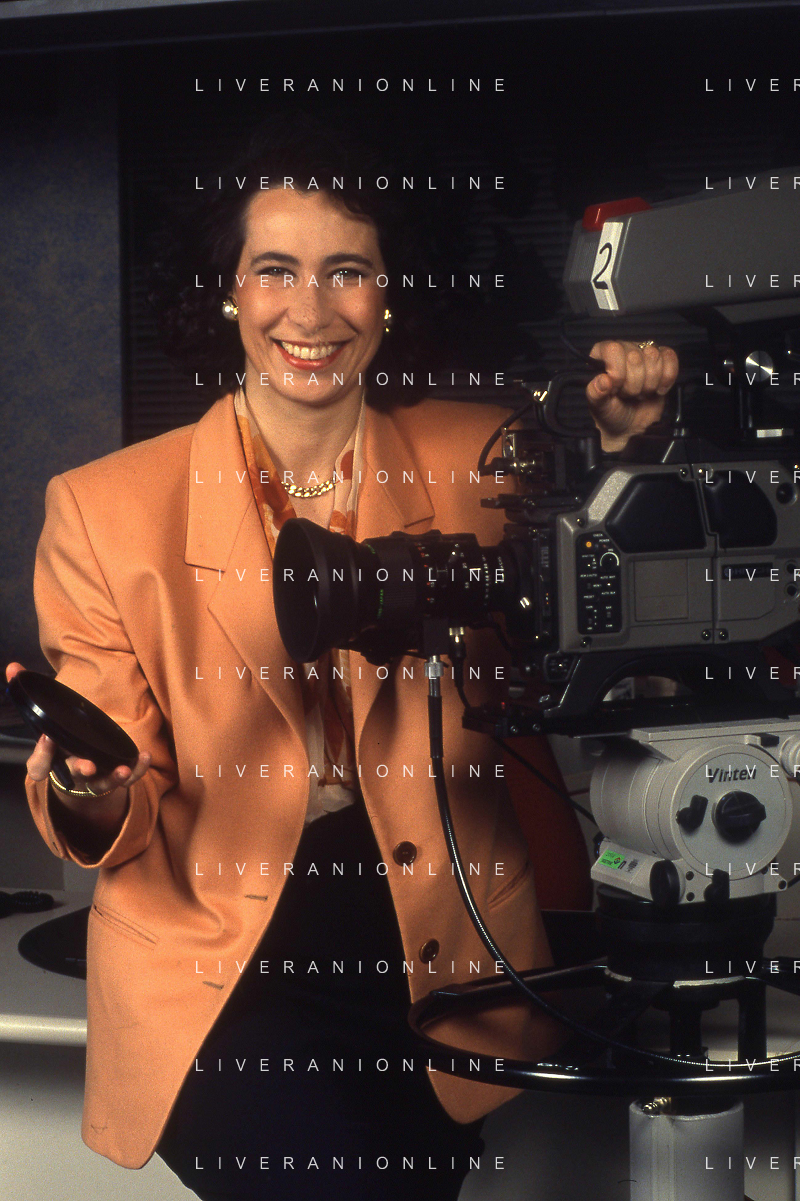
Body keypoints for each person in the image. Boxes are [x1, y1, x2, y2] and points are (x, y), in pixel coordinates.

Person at [6, 127, 678, 1200]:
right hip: (220, 966)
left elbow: (622, 632)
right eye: (274, 269)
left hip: (439, 956)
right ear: (227, 292)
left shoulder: (491, 458)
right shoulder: (104, 508)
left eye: (347, 270)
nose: (309, 311)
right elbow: (116, 805)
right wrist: (91, 785)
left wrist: (623, 453)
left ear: (389, 294)